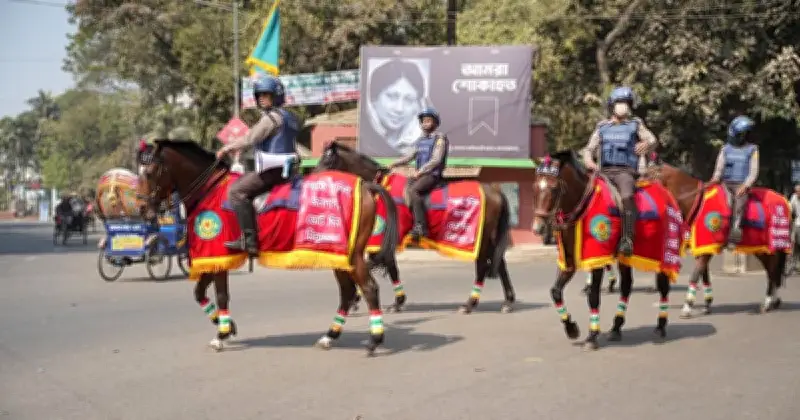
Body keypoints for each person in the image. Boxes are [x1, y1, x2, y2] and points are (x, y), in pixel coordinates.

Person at [215, 75, 299, 256]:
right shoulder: (289, 117)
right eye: (259, 95)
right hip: (288, 170)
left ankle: (249, 240)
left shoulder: (271, 119)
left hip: (272, 171)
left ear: (276, 96)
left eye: (266, 95)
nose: (261, 98)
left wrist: (226, 148)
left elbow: (250, 138)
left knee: (236, 191)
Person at [581, 86, 658, 256]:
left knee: (627, 196)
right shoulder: (602, 127)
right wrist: (589, 161)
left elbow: (652, 140)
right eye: (619, 102)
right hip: (603, 173)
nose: (623, 106)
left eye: (626, 102)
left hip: (626, 172)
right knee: (585, 197)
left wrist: (646, 144)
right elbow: (588, 149)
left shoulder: (635, 124)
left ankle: (627, 238)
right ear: (612, 105)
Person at [388, 108, 449, 240]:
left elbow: (436, 159)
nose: (426, 123)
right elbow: (410, 156)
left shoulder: (440, 138)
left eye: (428, 120)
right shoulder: (421, 140)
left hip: (432, 175)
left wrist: (420, 171)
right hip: (421, 175)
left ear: (435, 123)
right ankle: (412, 220)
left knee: (413, 191)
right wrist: (394, 164)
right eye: (424, 121)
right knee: (404, 190)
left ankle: (421, 226)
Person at [709, 115, 759, 245]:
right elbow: (719, 168)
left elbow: (753, 172)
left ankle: (735, 232)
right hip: (725, 184)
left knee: (738, 206)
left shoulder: (753, 149)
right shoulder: (725, 149)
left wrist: (746, 185)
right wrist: (715, 178)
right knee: (723, 204)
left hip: (741, 185)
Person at [365, 59, 428, 154]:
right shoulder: (363, 138)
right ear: (374, 98)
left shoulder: (422, 141)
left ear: (417, 106)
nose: (399, 108)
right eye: (392, 97)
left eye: (409, 100)